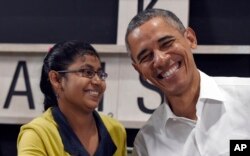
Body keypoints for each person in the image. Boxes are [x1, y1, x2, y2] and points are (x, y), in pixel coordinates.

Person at [125, 8, 250, 156]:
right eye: (146, 56)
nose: (160, 60)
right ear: (139, 70)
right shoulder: (146, 142)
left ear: (190, 39)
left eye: (166, 43)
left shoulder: (246, 96)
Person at [17, 40, 127, 156]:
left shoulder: (116, 130)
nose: (97, 81)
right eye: (87, 72)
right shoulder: (37, 135)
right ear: (56, 79)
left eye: (100, 74)